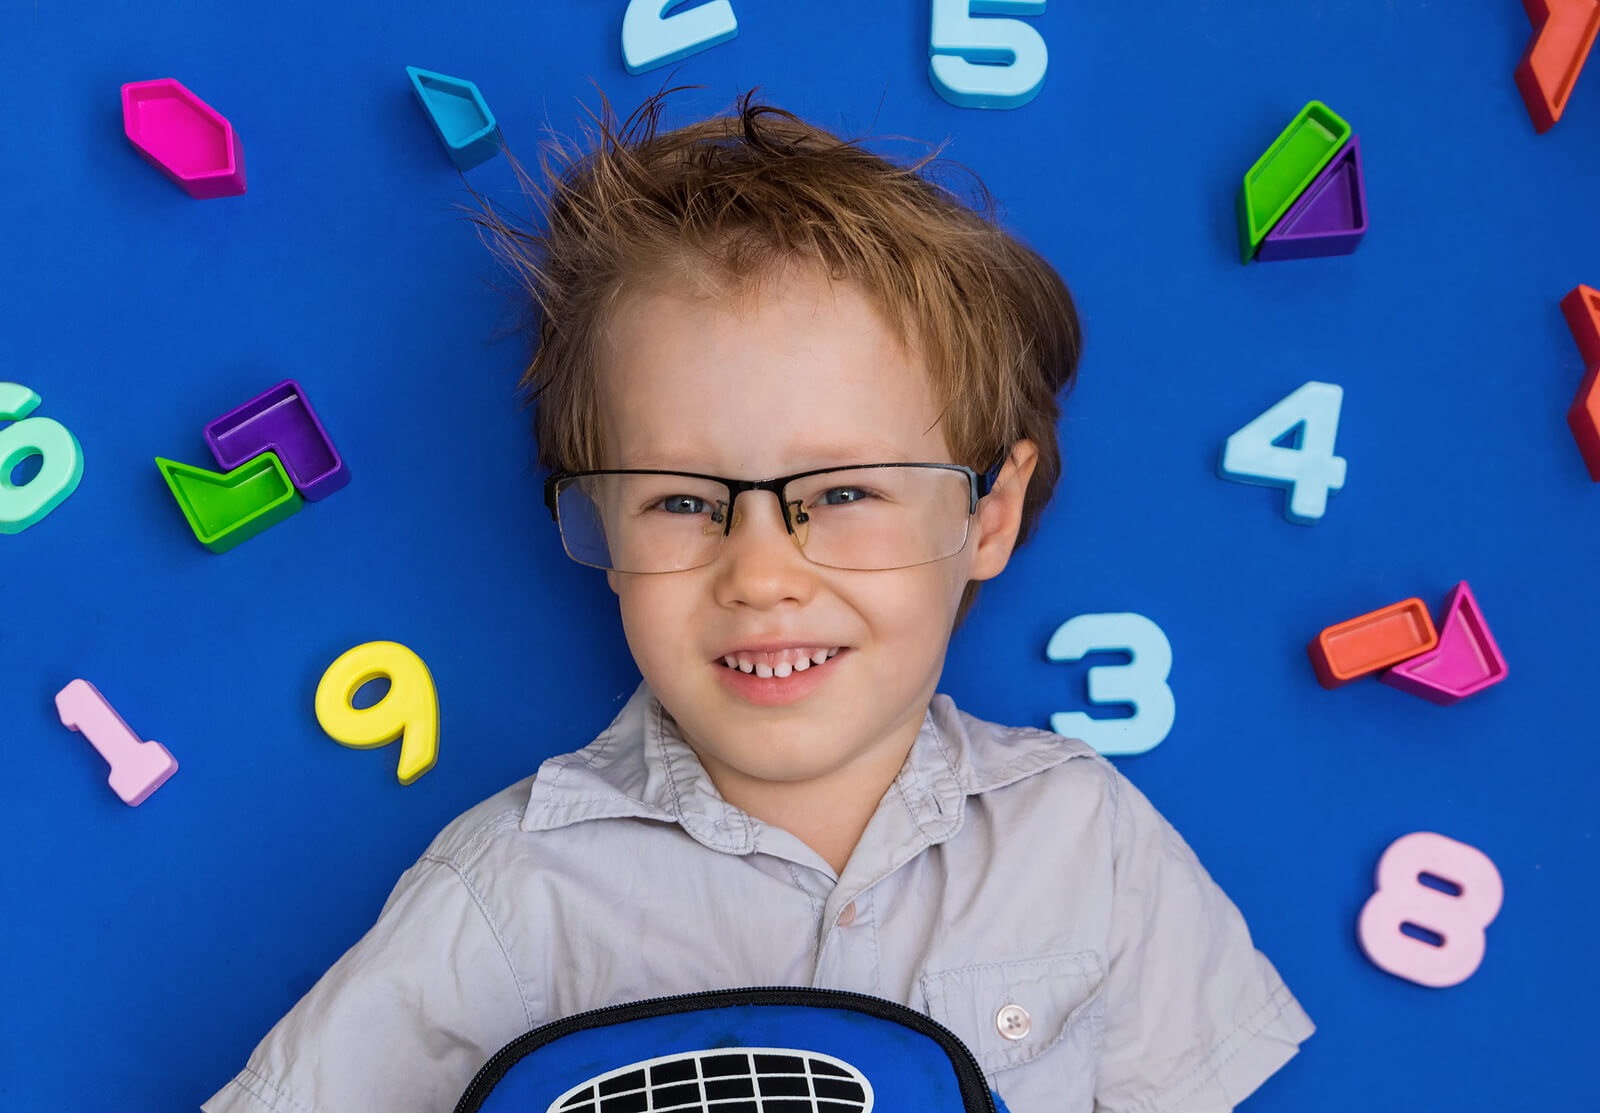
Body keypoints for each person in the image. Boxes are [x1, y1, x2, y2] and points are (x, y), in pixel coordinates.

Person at [202, 87, 1313, 1113]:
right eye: (682, 501)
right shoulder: (510, 896)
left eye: (841, 492)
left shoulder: (1086, 843)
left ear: (988, 514)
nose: (762, 572)